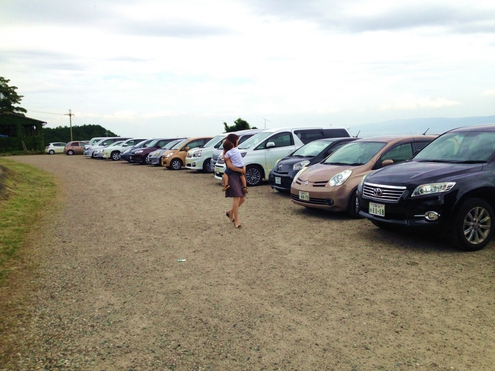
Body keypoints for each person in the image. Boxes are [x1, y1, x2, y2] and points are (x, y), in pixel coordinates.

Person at [223, 133, 247, 229]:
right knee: (237, 198)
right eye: (237, 140)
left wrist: (243, 167)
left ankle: (231, 212)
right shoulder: (226, 153)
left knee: (243, 198)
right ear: (233, 141)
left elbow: (240, 161)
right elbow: (230, 166)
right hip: (232, 176)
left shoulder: (235, 150)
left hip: (238, 175)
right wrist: (241, 170)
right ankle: (236, 220)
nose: (238, 141)